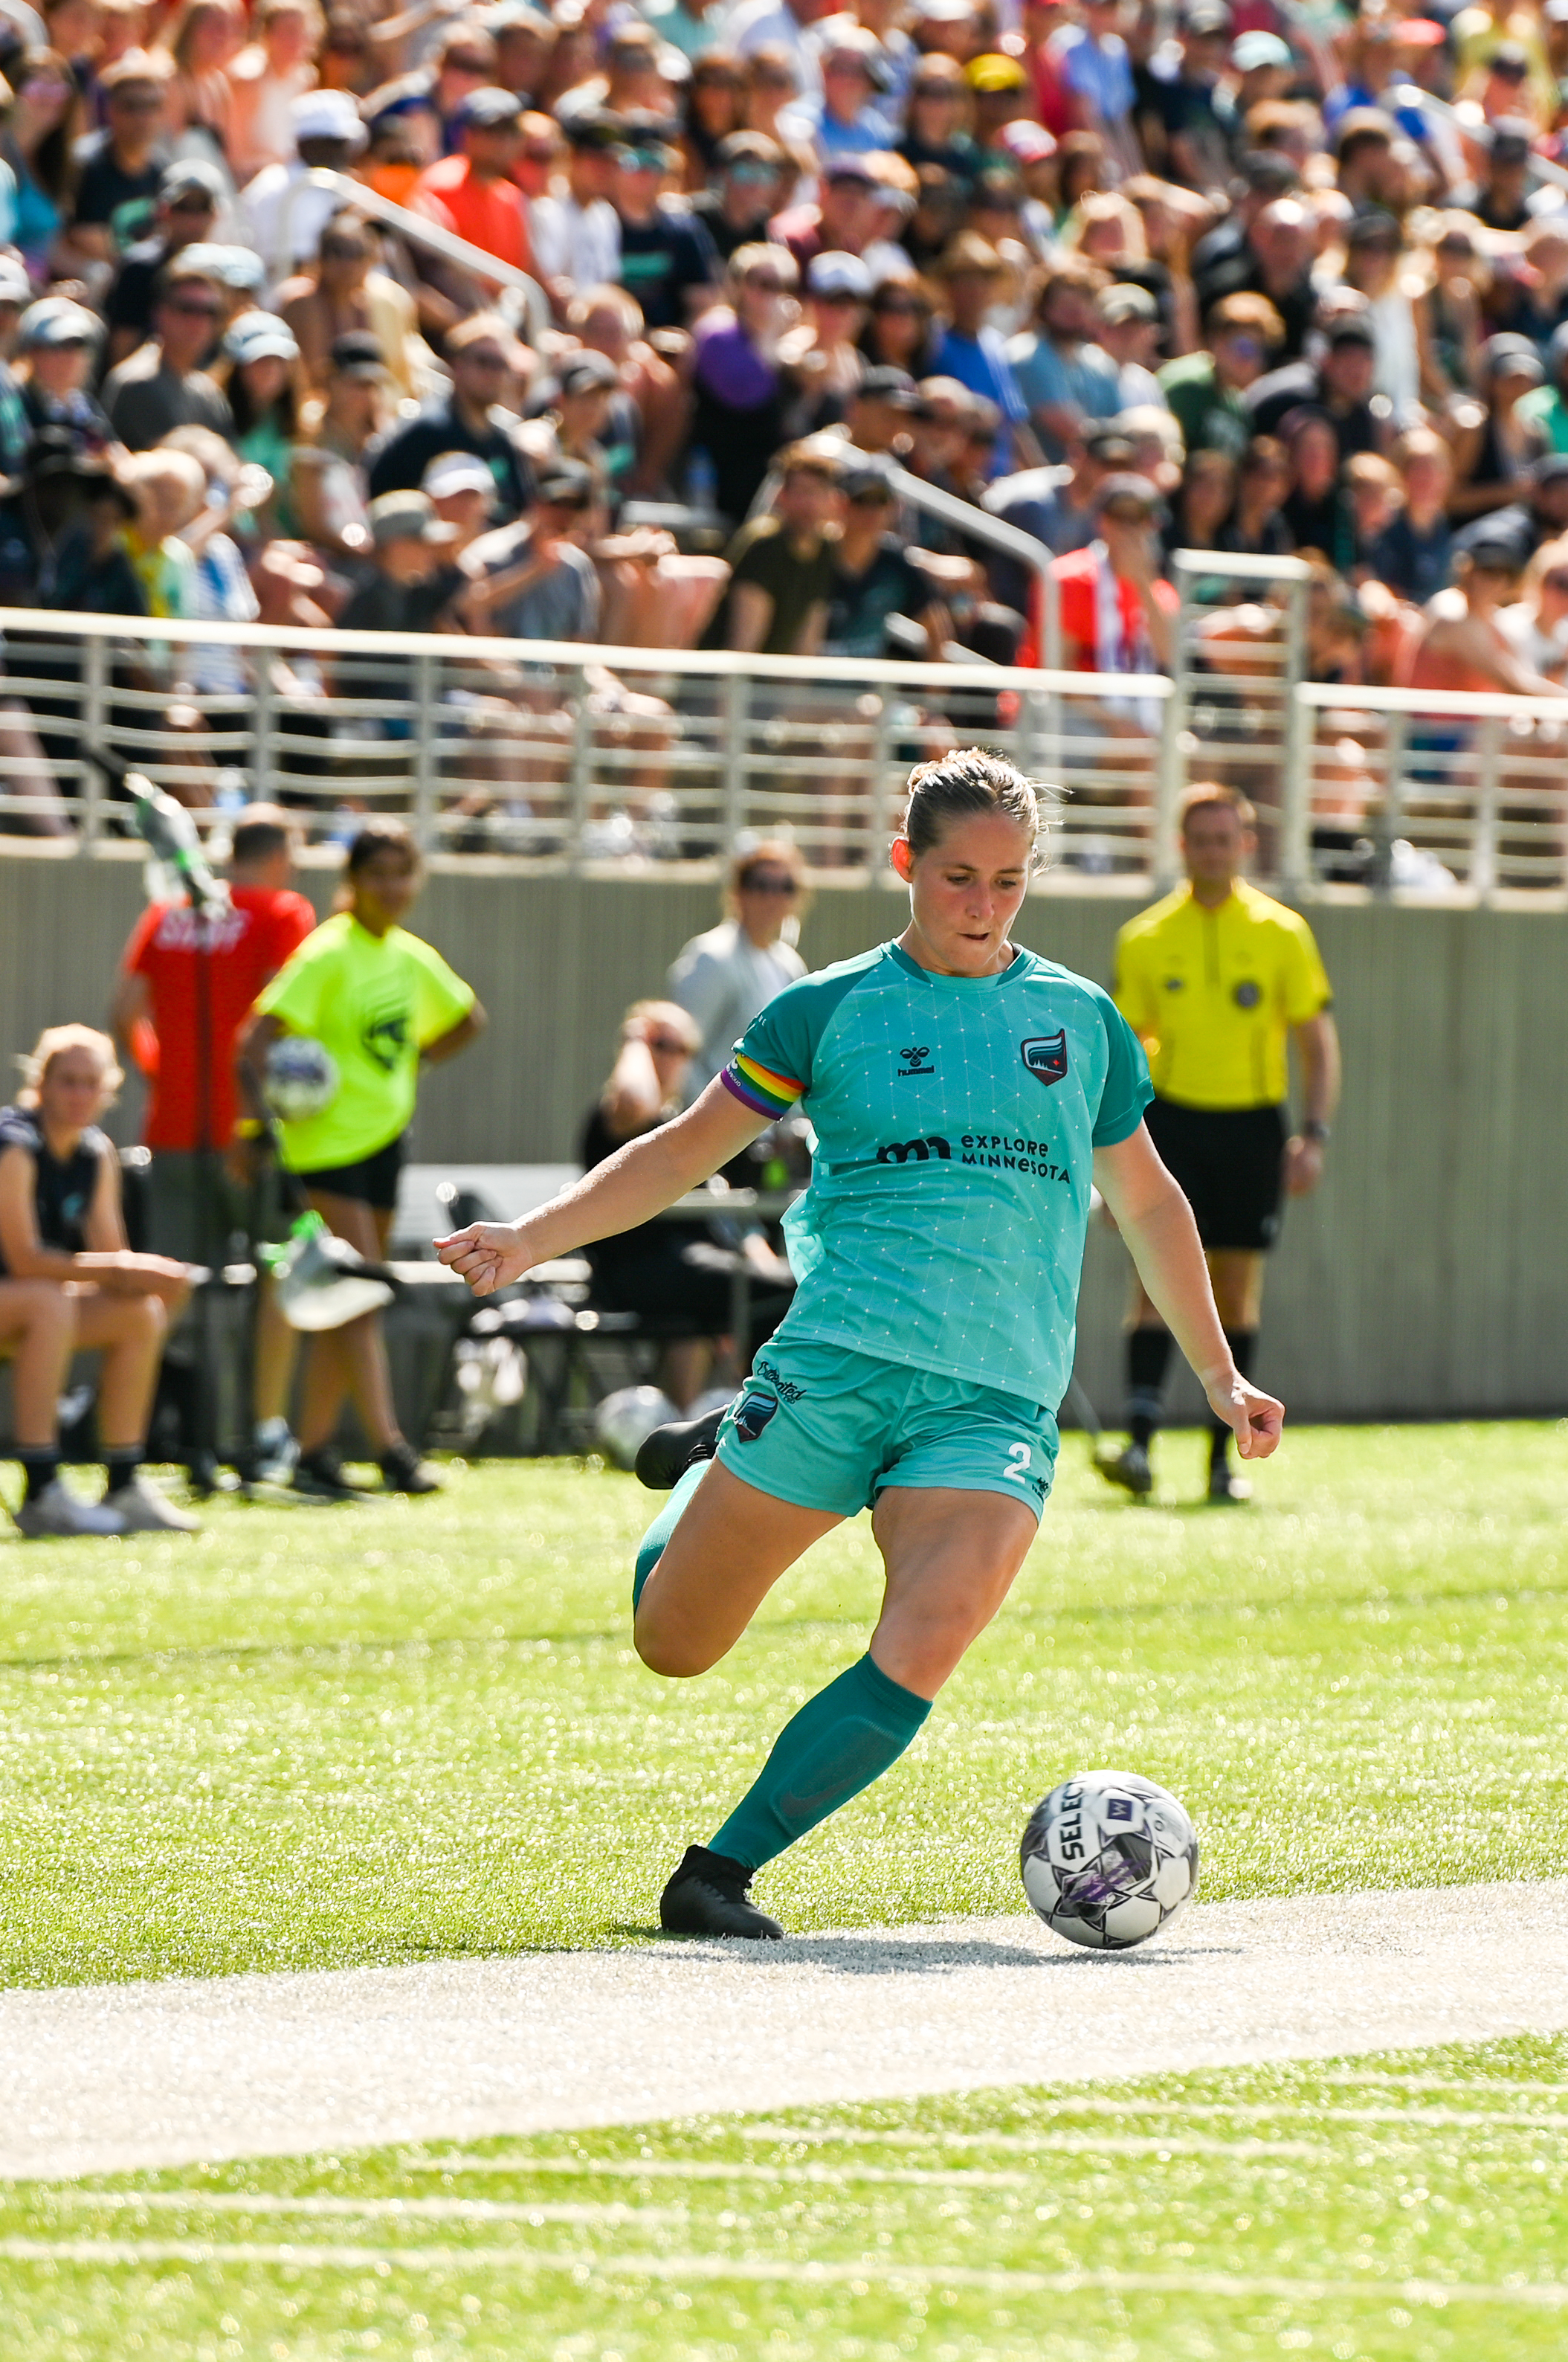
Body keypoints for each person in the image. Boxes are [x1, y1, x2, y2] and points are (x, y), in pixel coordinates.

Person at [438, 750, 1282, 1944]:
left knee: (932, 1632)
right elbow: (682, 1152)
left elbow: (1147, 1201)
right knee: (674, 1644)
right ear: (904, 865)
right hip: (833, 1368)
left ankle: (718, 1871)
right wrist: (530, 1239)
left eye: (1007, 881)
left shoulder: (1081, 1021)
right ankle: (705, 1463)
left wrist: (1220, 1374)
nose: (982, 906)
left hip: (992, 1402)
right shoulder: (825, 1010)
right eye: (957, 879)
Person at [1099, 782, 1337, 1502]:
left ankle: (1223, 1462)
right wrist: (1110, 1160)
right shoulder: (1145, 937)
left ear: (1246, 844)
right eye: (1199, 839)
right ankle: (1138, 1448)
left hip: (1252, 1127)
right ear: (1181, 846)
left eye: (1224, 838)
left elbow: (1317, 1044)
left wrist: (1313, 1135)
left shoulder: (1282, 932)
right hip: (1172, 1123)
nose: (1211, 851)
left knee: (1235, 1290)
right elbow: (1120, 1057)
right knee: (1154, 1282)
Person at [254, 820, 480, 1502]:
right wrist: (255, 1124)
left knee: (350, 1297)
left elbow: (469, 1020)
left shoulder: (410, 956)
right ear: (351, 881)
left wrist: (412, 1063)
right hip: (324, 1148)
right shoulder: (327, 952)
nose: (391, 887)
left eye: (401, 873)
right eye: (376, 874)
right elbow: (257, 1039)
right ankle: (391, 1448)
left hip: (384, 1140)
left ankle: (314, 1450)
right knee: (362, 1292)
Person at [0, 1025, 201, 1538]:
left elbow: (112, 1263)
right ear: (40, 1083)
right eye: (67, 1081)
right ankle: (41, 1492)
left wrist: (161, 1284)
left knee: (138, 1312)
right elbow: (26, 1262)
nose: (79, 1094)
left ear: (108, 1090)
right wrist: (123, 1269)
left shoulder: (96, 1153)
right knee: (48, 1300)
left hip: (24, 1312)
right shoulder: (13, 1147)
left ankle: (124, 1484)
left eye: (91, 1083)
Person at [112, 808, 316, 1496]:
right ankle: (262, 1431)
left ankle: (155, 1436)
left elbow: (124, 1011)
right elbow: (287, 1015)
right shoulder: (283, 912)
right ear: (280, 856)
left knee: (175, 1290)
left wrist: (163, 1073)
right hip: (250, 1134)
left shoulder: (169, 912)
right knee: (279, 1272)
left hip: (173, 1130)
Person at [575, 998, 794, 1404]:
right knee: (771, 1289)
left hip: (688, 1269)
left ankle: (723, 1413)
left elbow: (731, 1218)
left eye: (681, 1049)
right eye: (658, 1044)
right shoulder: (619, 1118)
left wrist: (766, 1265)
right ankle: (767, 1409)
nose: (669, 1057)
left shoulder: (678, 1121)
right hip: (634, 1272)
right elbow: (633, 1099)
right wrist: (637, 1041)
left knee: (782, 1286)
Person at [660, 834, 807, 1106]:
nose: (773, 896)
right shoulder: (712, 956)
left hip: (770, 1127)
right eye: (761, 884)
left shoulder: (790, 964)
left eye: (785, 886)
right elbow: (679, 1055)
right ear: (738, 891)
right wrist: (710, 1120)